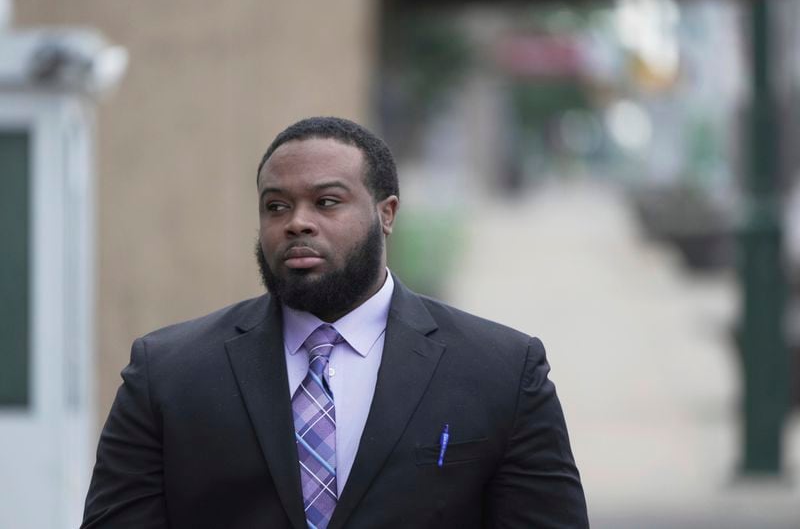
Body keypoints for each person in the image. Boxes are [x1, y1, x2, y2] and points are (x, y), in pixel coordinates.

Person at [82, 116, 589, 529]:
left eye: (326, 202)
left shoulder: (501, 370)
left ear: (386, 213)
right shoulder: (167, 373)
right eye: (276, 206)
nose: (297, 222)